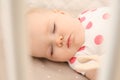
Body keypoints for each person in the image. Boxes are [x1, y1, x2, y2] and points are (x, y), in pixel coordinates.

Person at [26, 7, 110, 80]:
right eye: (51, 50)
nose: (58, 41)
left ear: (62, 13)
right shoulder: (80, 61)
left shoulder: (86, 14)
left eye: (53, 28)